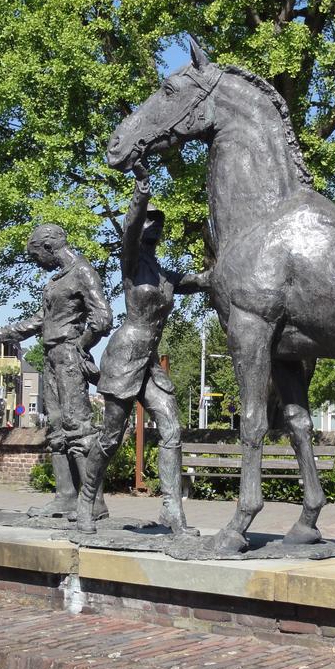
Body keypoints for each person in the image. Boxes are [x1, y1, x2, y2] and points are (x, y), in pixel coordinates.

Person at [76, 163, 210, 534]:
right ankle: (86, 501)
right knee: (110, 438)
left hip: (149, 363)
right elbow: (131, 228)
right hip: (123, 358)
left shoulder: (164, 275)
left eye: (159, 222)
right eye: (150, 220)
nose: (155, 225)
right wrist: (142, 193)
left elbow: (201, 280)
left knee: (171, 429)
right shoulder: (131, 262)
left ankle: (172, 511)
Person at [0, 224, 112, 517]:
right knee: (58, 428)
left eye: (36, 255)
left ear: (48, 247)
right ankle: (65, 497)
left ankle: (93, 503)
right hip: (51, 355)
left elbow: (102, 317)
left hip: (69, 355)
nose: (37, 263)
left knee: (79, 428)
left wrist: (82, 347)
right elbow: (39, 321)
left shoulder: (82, 272)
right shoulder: (56, 280)